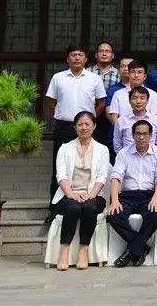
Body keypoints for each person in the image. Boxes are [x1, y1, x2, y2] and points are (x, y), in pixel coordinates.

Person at [45, 45, 107, 213]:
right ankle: (55, 209)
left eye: (80, 55)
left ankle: (88, 201)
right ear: (68, 59)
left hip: (86, 127)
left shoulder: (94, 78)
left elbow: (101, 102)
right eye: (73, 55)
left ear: (86, 59)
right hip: (65, 127)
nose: (77, 57)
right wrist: (60, 113)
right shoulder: (58, 77)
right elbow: (51, 100)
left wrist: (90, 118)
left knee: (89, 164)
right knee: (59, 167)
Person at [51, 111, 110, 271]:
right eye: (80, 124)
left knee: (89, 208)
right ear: (75, 127)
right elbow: (61, 175)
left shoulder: (102, 149)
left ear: (94, 126)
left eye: (87, 124)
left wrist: (91, 195)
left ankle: (83, 250)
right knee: (73, 208)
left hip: (94, 194)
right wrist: (71, 194)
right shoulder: (65, 148)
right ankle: (64, 250)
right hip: (69, 193)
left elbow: (102, 176)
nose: (84, 128)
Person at [107, 120, 157, 267]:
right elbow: (116, 177)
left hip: (149, 196)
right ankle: (140, 247)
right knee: (113, 215)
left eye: (145, 134)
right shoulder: (123, 153)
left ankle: (132, 250)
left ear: (151, 136)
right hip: (128, 196)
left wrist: (155, 199)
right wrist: (115, 201)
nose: (141, 137)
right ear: (133, 135)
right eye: (138, 134)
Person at [88, 41, 120, 151]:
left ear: (112, 55)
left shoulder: (119, 74)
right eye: (101, 51)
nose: (104, 54)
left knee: (108, 147)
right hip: (92, 113)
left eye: (107, 51)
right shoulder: (87, 72)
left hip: (111, 115)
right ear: (96, 55)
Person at [113, 86, 157, 154]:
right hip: (127, 158)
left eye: (142, 98)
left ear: (147, 100)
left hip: (151, 158)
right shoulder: (121, 121)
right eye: (134, 98)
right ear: (129, 101)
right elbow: (117, 145)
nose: (138, 101)